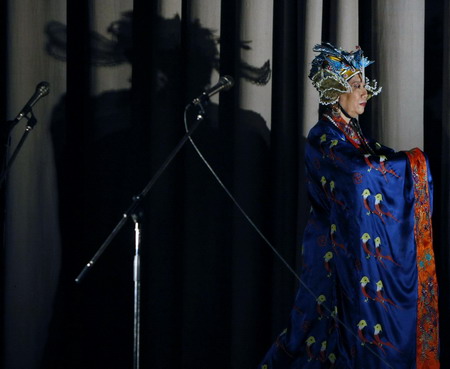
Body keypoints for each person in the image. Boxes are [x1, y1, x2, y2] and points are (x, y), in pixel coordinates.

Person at [259, 42, 439, 368]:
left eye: (365, 84)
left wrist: (414, 165)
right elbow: (359, 171)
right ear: (335, 90)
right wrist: (409, 163)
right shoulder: (322, 138)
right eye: (356, 85)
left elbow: (378, 160)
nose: (365, 92)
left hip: (351, 251)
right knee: (313, 334)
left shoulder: (356, 137)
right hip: (330, 251)